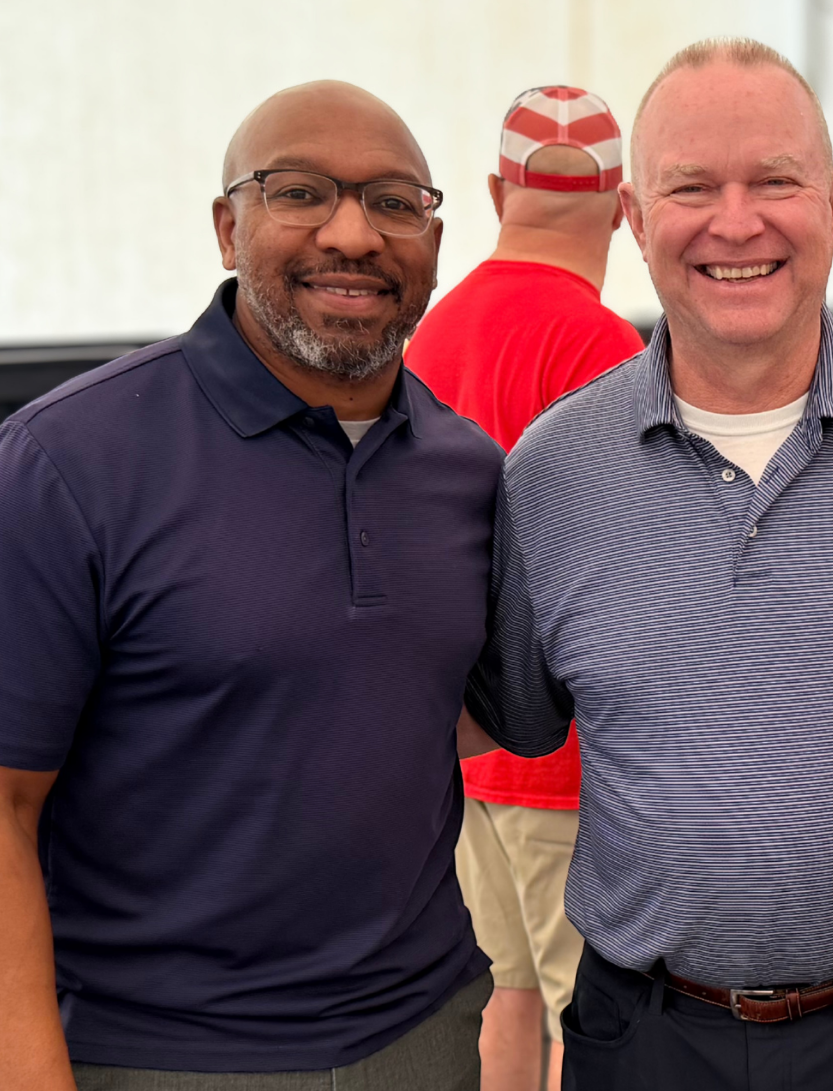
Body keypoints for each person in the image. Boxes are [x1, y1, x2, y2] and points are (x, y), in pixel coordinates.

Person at [462, 38, 833, 1091]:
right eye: (691, 187)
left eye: (775, 180)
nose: (736, 220)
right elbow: (514, 715)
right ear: (630, 216)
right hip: (645, 1036)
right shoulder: (552, 471)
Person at [0, 82, 499, 1090]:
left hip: (426, 1033)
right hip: (157, 1053)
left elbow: (434, 711)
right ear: (229, 227)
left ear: (436, 239)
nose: (354, 235)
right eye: (301, 192)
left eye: (396, 202)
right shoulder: (69, 460)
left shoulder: (467, 470)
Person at [403, 84, 644, 1091]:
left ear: (498, 189)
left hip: (460, 754)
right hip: (568, 760)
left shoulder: (426, 337)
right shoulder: (606, 350)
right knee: (593, 1018)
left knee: (501, 993)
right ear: (625, 204)